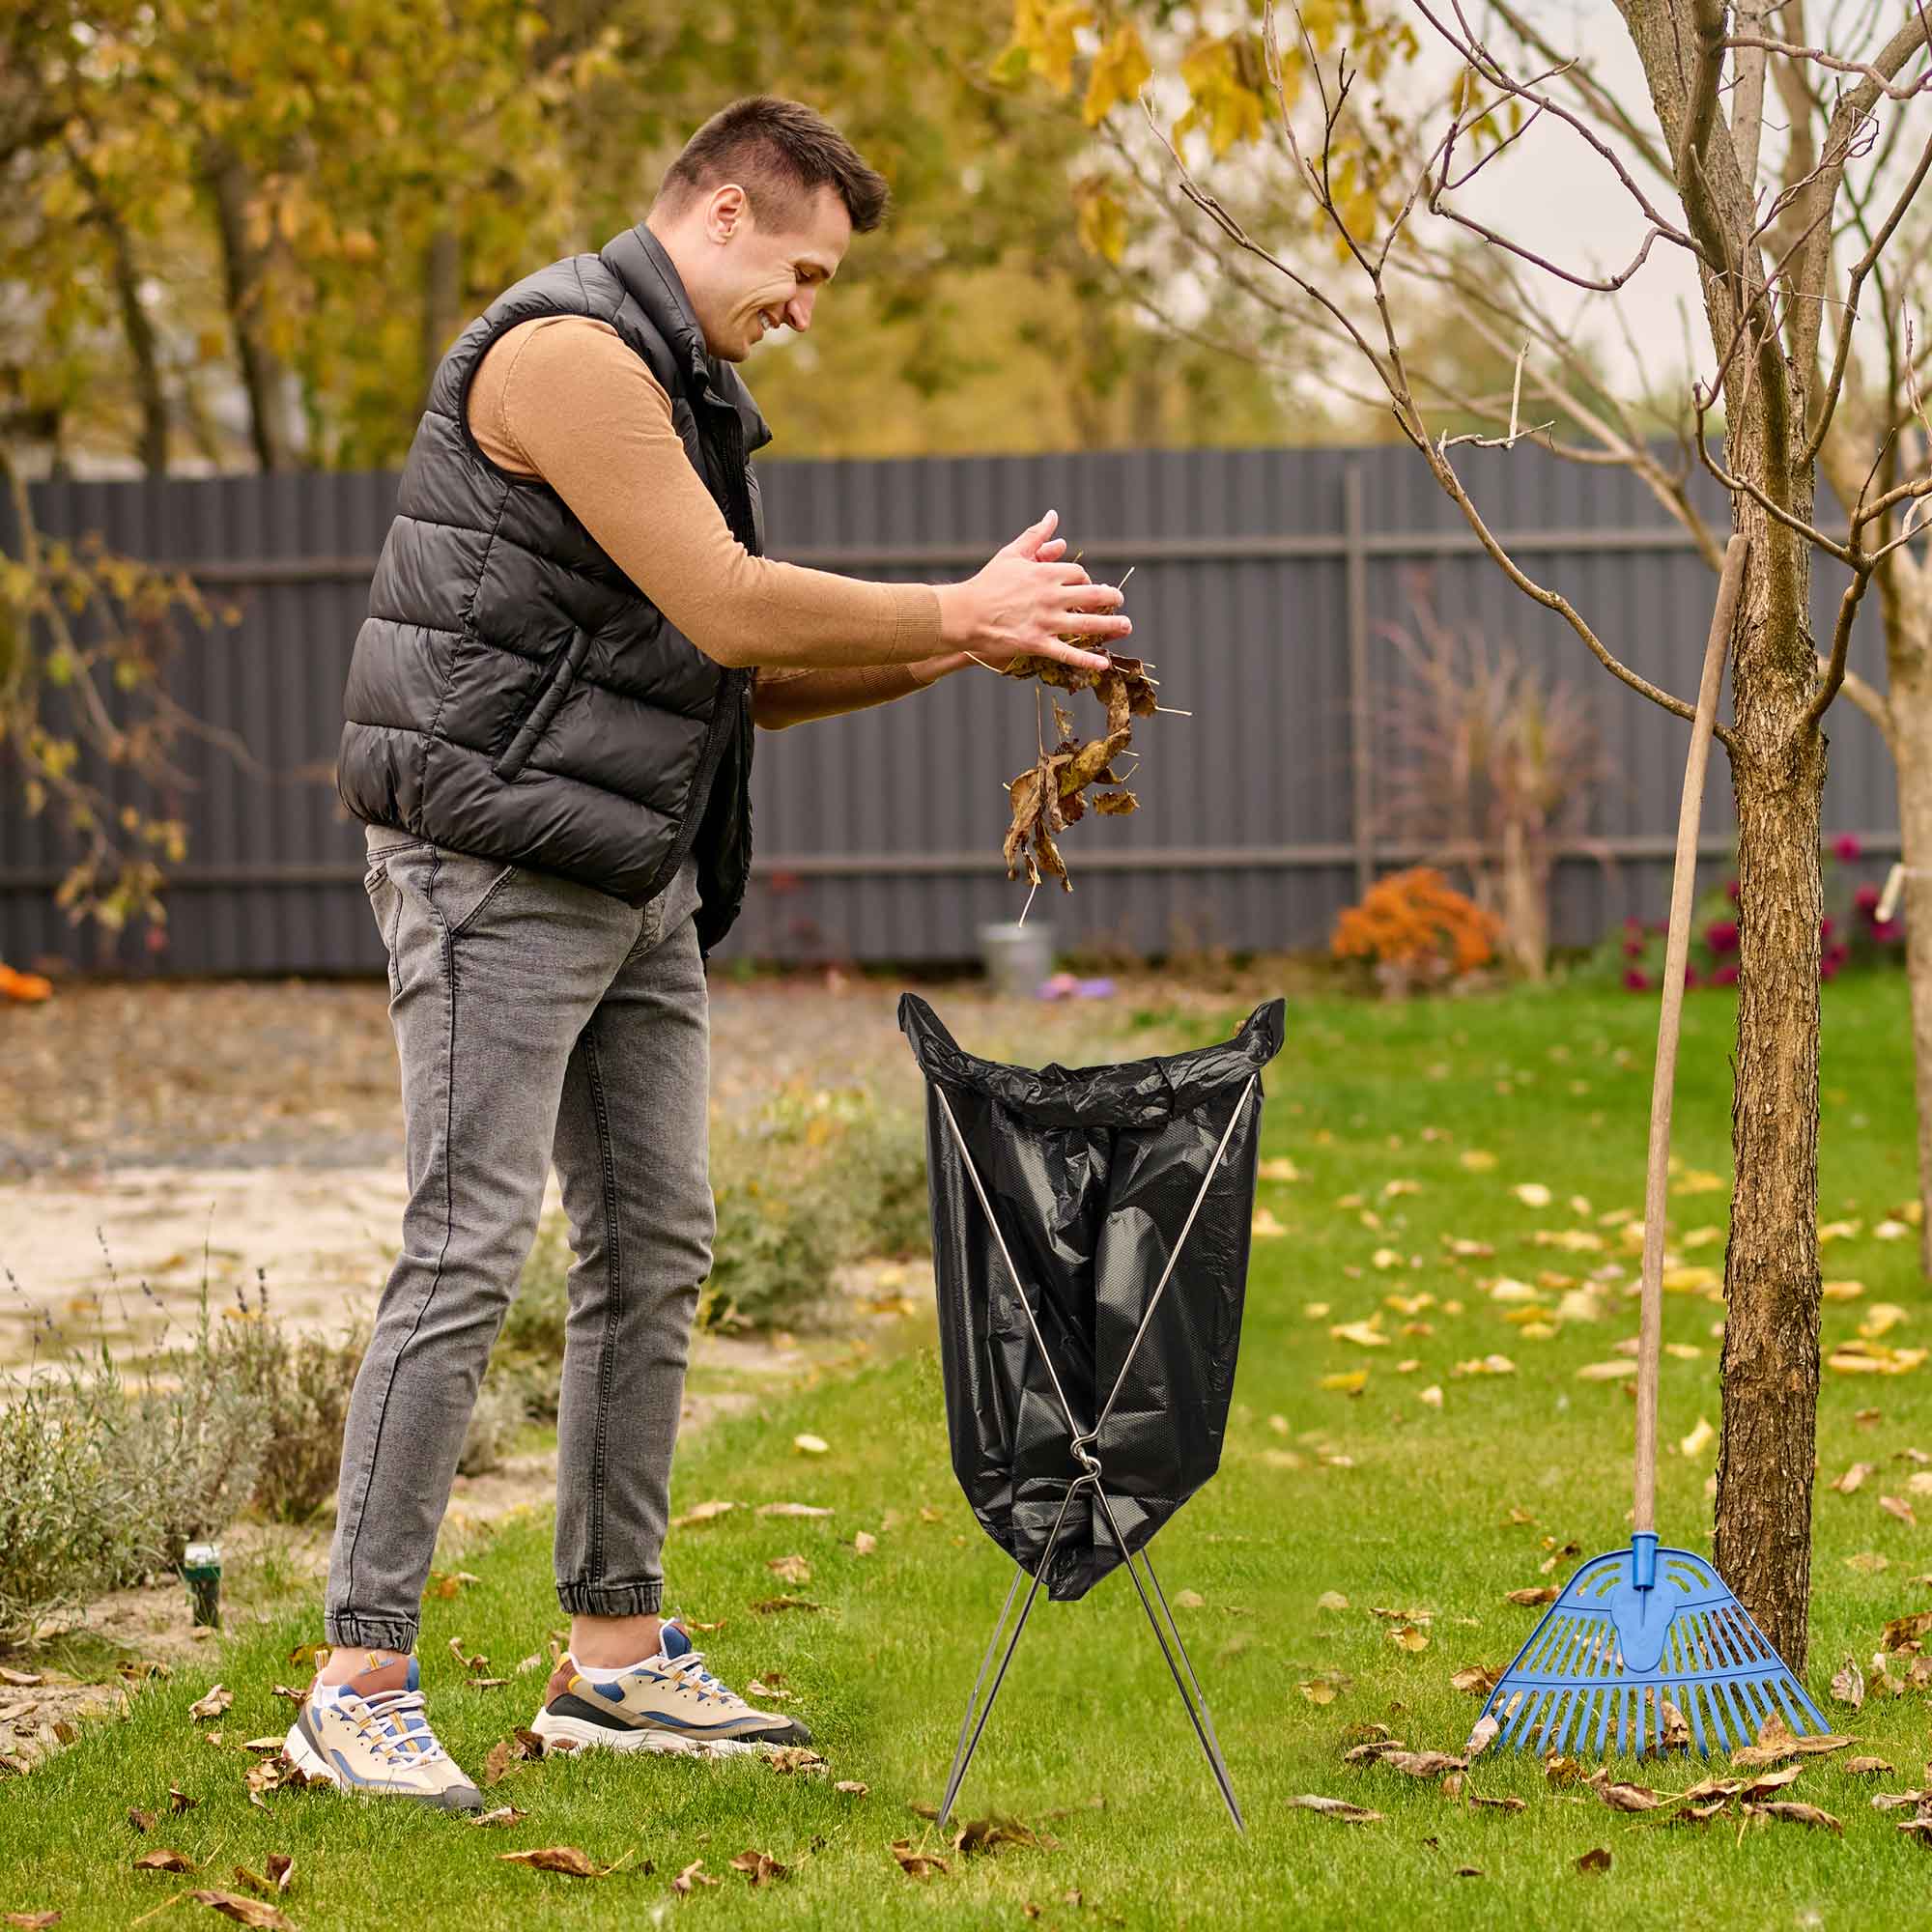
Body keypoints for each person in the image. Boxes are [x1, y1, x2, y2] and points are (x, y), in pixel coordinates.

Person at [294, 95, 1131, 1809]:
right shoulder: (570, 359)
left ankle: (612, 1657)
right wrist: (959, 611)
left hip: (632, 872)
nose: (809, 309)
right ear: (727, 210)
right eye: (804, 271)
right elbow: (735, 604)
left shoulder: (682, 389)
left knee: (657, 1249)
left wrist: (962, 652)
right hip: (491, 859)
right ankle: (354, 1678)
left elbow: (730, 677)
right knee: (465, 1250)